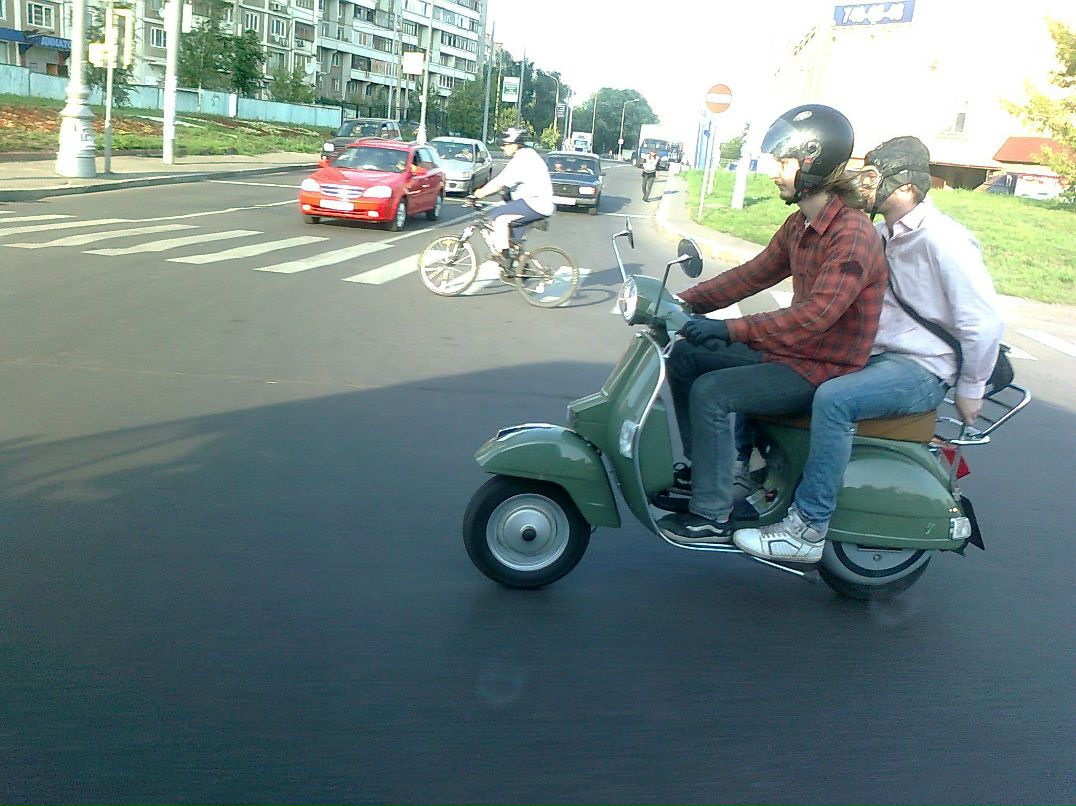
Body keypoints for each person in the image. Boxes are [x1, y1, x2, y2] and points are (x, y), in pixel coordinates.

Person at [733, 135, 1005, 562]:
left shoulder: (943, 239)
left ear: (906, 187)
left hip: (920, 369)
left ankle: (806, 528)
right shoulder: (877, 233)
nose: (863, 183)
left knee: (835, 400)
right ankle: (750, 478)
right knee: (769, 368)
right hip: (874, 357)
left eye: (874, 175)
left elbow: (983, 321)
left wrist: (971, 388)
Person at [656, 104, 889, 544]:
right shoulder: (801, 224)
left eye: (782, 163)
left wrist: (730, 330)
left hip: (823, 366)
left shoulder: (853, 234)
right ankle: (706, 475)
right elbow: (753, 274)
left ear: (811, 164)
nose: (774, 173)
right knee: (687, 357)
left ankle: (710, 514)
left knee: (713, 391)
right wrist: (679, 302)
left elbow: (817, 314)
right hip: (794, 353)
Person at [470, 128, 555, 269]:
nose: (503, 147)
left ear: (515, 145)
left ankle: (505, 259)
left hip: (536, 203)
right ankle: (522, 268)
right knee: (511, 239)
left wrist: (478, 194)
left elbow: (500, 181)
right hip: (534, 202)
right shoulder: (528, 155)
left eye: (505, 144)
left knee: (499, 217)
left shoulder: (523, 159)